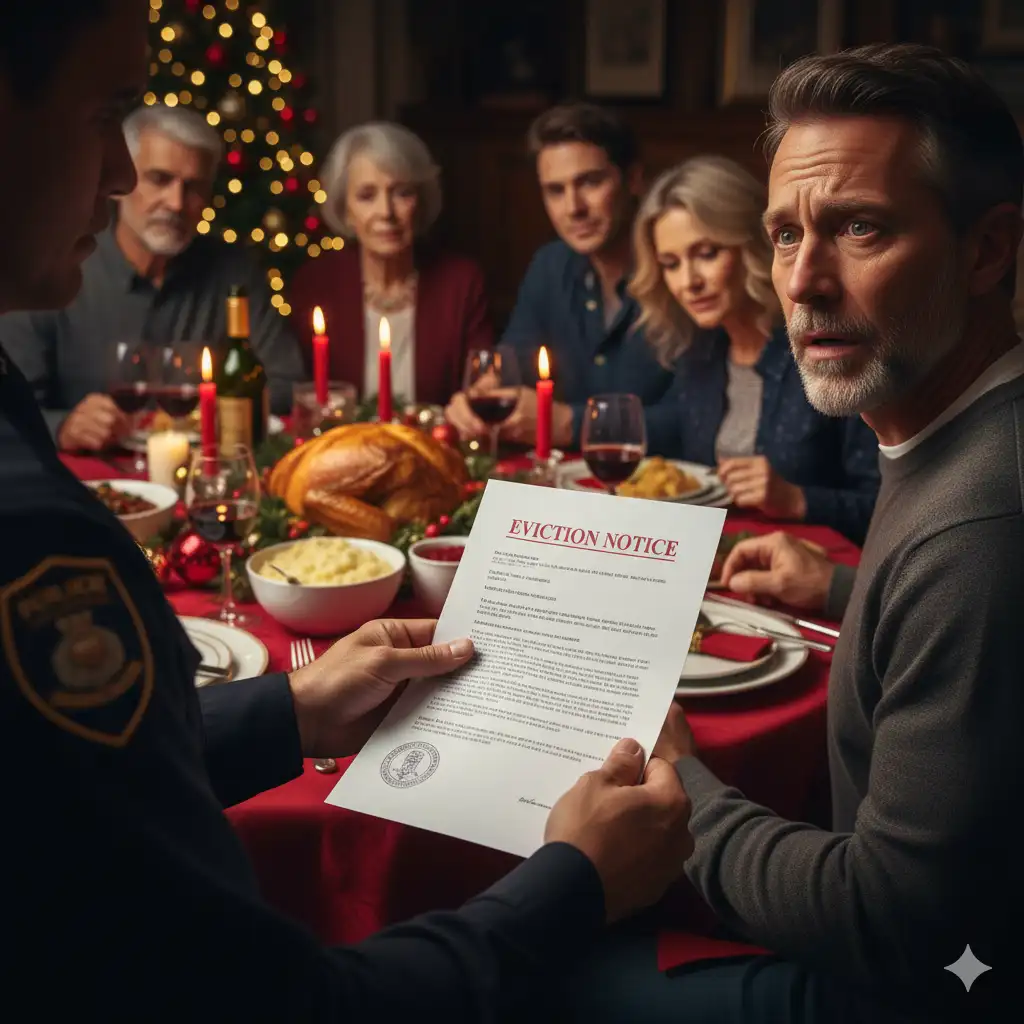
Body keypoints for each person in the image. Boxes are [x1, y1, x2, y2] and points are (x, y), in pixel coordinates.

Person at [0, 4, 695, 1017]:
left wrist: (290, 709)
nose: (117, 172)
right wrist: (572, 884)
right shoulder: (33, 536)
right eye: (106, 111)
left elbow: (58, 788)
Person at [552, 43, 1021, 1023]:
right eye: (782, 234)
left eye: (859, 228)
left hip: (916, 994)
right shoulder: (950, 429)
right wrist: (844, 589)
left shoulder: (976, 526)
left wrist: (689, 788)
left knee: (536, 962)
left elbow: (886, 921)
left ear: (987, 250)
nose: (801, 282)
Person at [0, 101, 304, 451]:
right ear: (122, 182)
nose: (176, 202)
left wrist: (222, 410)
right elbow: (9, 404)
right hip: (91, 483)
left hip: (202, 476)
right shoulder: (58, 263)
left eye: (194, 187)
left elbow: (287, 383)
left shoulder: (233, 272)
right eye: (159, 179)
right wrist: (63, 425)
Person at [631, 155, 880, 544]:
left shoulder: (826, 346)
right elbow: (665, 429)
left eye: (707, 253)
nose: (688, 282)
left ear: (752, 244)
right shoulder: (702, 354)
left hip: (813, 574)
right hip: (719, 561)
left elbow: (890, 511)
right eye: (670, 263)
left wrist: (797, 499)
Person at [445, 103, 676, 450]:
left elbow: (693, 421)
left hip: (665, 493)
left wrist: (571, 424)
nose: (573, 208)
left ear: (633, 179)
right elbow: (515, 360)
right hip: (566, 488)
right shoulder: (550, 265)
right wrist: (482, 393)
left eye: (591, 182)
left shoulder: (682, 273)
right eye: (555, 190)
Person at [289, 122, 494, 408]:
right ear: (345, 211)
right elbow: (295, 391)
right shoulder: (314, 283)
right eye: (366, 196)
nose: (386, 212)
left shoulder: (460, 283)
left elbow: (483, 382)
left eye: (402, 193)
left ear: (420, 203)